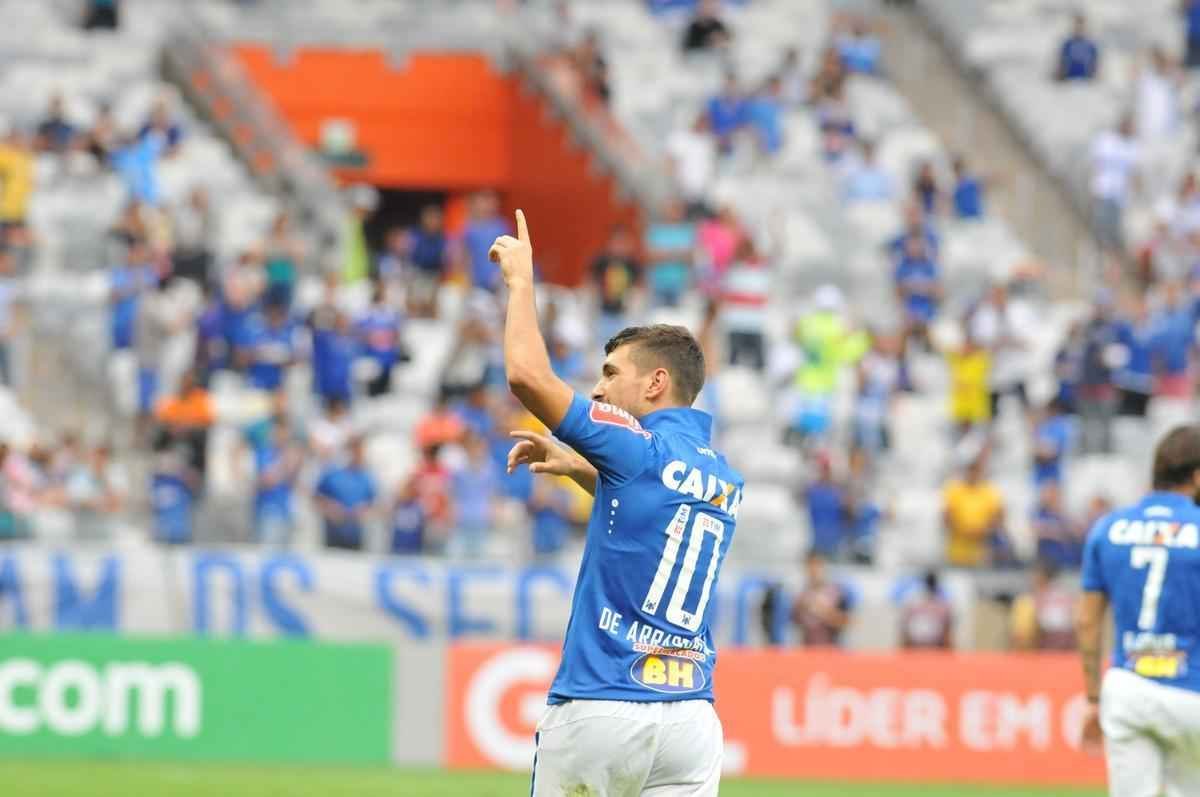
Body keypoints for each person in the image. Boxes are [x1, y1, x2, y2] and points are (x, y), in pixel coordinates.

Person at [495, 210, 740, 795]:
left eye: (610, 373)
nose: (600, 388)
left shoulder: (634, 444)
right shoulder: (721, 476)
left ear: (655, 384)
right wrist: (582, 468)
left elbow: (527, 376)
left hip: (603, 702)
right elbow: (652, 510)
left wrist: (522, 283)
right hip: (690, 720)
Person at [1077, 425, 1200, 795]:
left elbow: (1087, 621)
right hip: (1192, 688)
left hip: (1129, 687)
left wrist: (1093, 696)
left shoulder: (1107, 528)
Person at [315, 434, 377, 551]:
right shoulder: (332, 473)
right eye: (355, 450)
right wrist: (330, 507)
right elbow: (316, 497)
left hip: (356, 535)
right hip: (333, 533)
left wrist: (364, 510)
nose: (359, 455)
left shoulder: (367, 477)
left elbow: (374, 504)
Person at [942, 454, 1006, 568]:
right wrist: (965, 530)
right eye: (970, 469)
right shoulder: (954, 490)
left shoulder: (989, 491)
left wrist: (983, 530)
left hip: (983, 553)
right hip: (958, 552)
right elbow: (946, 518)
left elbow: (999, 517)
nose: (973, 473)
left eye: (975, 469)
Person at [1089, 115, 1140, 255]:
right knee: (1099, 227)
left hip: (1120, 196)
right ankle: (1097, 258)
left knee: (1113, 232)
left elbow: (1133, 174)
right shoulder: (1106, 140)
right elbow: (1096, 165)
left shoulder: (1133, 146)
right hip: (1103, 190)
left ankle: (1110, 264)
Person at [590, 225, 641, 347]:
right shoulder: (601, 261)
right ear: (610, 243)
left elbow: (639, 287)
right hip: (602, 313)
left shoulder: (632, 263)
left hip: (623, 314)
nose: (619, 247)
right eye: (617, 243)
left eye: (623, 243)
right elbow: (590, 281)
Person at [252, 415, 300, 545]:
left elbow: (293, 482)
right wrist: (284, 463)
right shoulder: (264, 453)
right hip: (268, 511)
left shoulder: (290, 453)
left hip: (286, 511)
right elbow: (265, 480)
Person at [792, 550, 856, 646]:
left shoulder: (836, 592)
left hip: (831, 649)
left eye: (817, 565)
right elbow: (793, 621)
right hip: (808, 649)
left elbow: (847, 621)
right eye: (810, 566)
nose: (813, 570)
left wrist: (822, 611)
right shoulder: (801, 594)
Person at [356, 281, 407, 398]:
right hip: (371, 353)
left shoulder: (392, 314)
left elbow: (397, 333)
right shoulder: (366, 314)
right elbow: (360, 334)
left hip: (388, 355)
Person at [1011, 559, 1076, 650]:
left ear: (1044, 576)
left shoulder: (1048, 595)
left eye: (1035, 574)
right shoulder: (1063, 593)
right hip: (1057, 638)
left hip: (1050, 639)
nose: (1032, 578)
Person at [644, 200, 696, 308]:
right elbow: (651, 256)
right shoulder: (655, 230)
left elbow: (690, 257)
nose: (673, 213)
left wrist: (666, 254)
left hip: (680, 283)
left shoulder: (688, 231)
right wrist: (677, 254)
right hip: (658, 282)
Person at [899, 571, 954, 649]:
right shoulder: (942, 605)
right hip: (918, 643)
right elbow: (904, 627)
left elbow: (947, 629)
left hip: (933, 644)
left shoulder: (914, 603)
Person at [1055, 13, 1099, 82]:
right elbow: (1061, 63)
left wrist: (1093, 77)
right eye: (1077, 24)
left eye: (1081, 25)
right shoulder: (1068, 44)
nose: (1079, 27)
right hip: (1068, 82)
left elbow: (1095, 64)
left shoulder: (1090, 45)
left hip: (1086, 82)